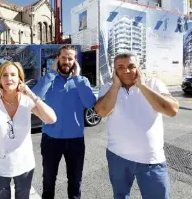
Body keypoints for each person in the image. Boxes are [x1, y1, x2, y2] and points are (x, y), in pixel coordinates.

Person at [94, 52, 179, 199]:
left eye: (131, 66)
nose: (126, 71)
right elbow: (101, 112)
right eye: (120, 67)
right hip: (117, 157)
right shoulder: (108, 88)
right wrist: (115, 86)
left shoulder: (154, 84)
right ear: (114, 70)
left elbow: (171, 110)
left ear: (139, 68)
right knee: (120, 196)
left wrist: (142, 85)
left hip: (151, 160)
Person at [0, 61, 57, 199]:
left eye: (13, 75)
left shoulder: (27, 101)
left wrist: (30, 93)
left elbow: (51, 119)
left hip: (23, 164)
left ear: (19, 79)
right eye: (4, 75)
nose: (9, 78)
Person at [31, 45, 97, 199]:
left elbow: (89, 103)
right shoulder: (49, 80)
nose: (66, 61)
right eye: (63, 58)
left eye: (70, 58)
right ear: (57, 59)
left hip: (75, 141)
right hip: (50, 140)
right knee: (48, 181)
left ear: (75, 61)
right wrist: (51, 74)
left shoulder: (82, 81)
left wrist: (77, 78)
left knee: (75, 183)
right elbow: (34, 98)